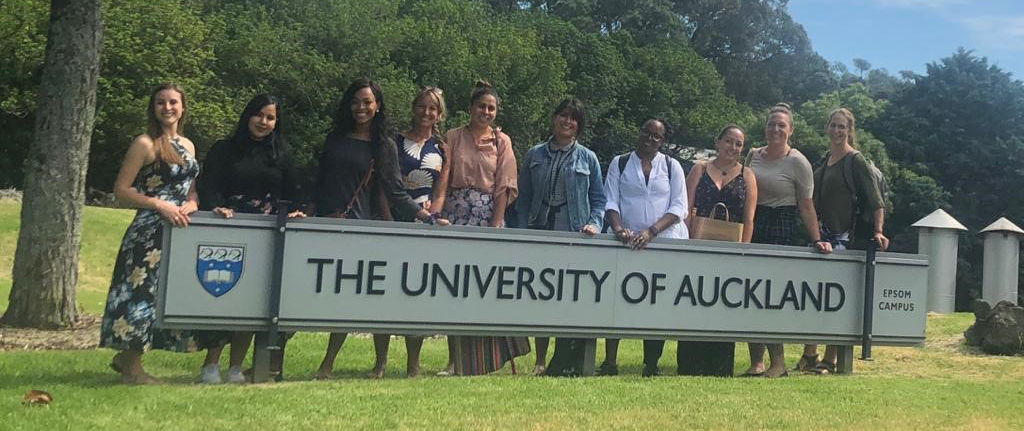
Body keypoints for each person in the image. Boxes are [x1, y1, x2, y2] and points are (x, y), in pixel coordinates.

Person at [312, 78, 448, 380]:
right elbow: (318, 181)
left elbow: (396, 191)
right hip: (324, 225)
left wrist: (426, 218)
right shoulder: (334, 138)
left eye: (367, 102)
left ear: (377, 107)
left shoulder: (383, 145)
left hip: (360, 227)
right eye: (356, 101)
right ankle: (293, 364)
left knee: (350, 298)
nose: (361, 107)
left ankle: (327, 364)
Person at [194, 94, 305, 383]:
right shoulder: (224, 149)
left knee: (250, 303)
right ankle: (210, 364)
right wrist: (214, 206)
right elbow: (208, 185)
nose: (263, 122)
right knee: (224, 294)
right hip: (229, 229)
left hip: (266, 234)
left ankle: (235, 367)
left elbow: (291, 193)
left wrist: (294, 212)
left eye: (270, 117)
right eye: (259, 115)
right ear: (247, 116)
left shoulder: (281, 154)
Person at [99, 84, 200, 384]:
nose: (167, 108)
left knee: (161, 297)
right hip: (148, 233)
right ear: (152, 108)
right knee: (139, 296)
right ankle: (132, 368)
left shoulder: (188, 145)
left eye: (173, 102)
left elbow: (191, 186)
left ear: (183, 107)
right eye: (160, 102)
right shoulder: (144, 144)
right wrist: (159, 205)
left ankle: (126, 359)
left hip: (176, 231)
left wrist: (192, 202)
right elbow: (121, 191)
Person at [432, 80, 529, 376]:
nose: (486, 112)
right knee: (454, 288)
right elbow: (444, 181)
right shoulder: (453, 136)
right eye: (481, 106)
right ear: (471, 107)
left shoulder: (502, 142)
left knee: (484, 289)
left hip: (487, 215)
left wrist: (496, 223)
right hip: (456, 214)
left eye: (491, 108)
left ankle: (488, 358)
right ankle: (454, 360)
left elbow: (505, 184)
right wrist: (435, 213)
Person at [515, 98, 605, 376]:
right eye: (563, 116)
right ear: (554, 118)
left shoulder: (588, 158)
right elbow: (523, 197)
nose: (567, 121)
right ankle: (540, 360)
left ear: (579, 125)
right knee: (540, 296)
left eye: (573, 118)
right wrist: (522, 231)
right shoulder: (534, 154)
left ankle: (564, 358)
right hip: (540, 228)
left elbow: (599, 199)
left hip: (574, 232)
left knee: (568, 297)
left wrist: (594, 224)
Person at [743, 103, 832, 379]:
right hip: (753, 222)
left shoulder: (798, 162)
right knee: (748, 293)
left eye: (782, 125)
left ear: (790, 130)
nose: (776, 129)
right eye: (772, 124)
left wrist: (816, 238)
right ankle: (756, 362)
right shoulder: (752, 155)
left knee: (770, 296)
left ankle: (778, 363)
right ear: (765, 127)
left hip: (782, 225)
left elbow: (806, 206)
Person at [368, 86, 448, 378]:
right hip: (392, 219)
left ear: (439, 115)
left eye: (433, 109)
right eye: (423, 107)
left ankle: (413, 364)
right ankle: (380, 361)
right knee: (386, 293)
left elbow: (441, 190)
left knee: (417, 294)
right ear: (414, 107)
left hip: (424, 226)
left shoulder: (442, 148)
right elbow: (382, 186)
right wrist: (388, 219)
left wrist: (433, 217)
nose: (427, 113)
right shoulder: (394, 142)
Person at [803, 107, 889, 374]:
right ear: (827, 127)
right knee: (814, 299)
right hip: (822, 239)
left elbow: (876, 201)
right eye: (834, 125)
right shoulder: (825, 159)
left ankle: (830, 359)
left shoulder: (856, 160)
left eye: (843, 127)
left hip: (845, 241)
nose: (838, 131)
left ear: (850, 130)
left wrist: (878, 231)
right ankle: (809, 355)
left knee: (833, 302)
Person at [603, 118, 688, 377]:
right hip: (626, 242)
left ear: (662, 141)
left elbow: (679, 207)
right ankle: (609, 361)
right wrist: (618, 230)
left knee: (656, 305)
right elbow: (610, 202)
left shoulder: (672, 166)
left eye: (656, 136)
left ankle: (651, 363)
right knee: (616, 303)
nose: (650, 139)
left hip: (663, 242)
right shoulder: (619, 163)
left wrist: (651, 232)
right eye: (646, 133)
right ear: (638, 132)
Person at [680, 125, 758, 376]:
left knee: (723, 303)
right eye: (728, 141)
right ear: (717, 141)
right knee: (694, 302)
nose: (733, 147)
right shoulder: (699, 169)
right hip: (699, 249)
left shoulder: (748, 176)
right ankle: (690, 363)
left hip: (730, 253)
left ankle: (720, 365)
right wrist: (688, 244)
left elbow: (749, 218)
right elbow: (686, 210)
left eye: (738, 144)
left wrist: (742, 252)